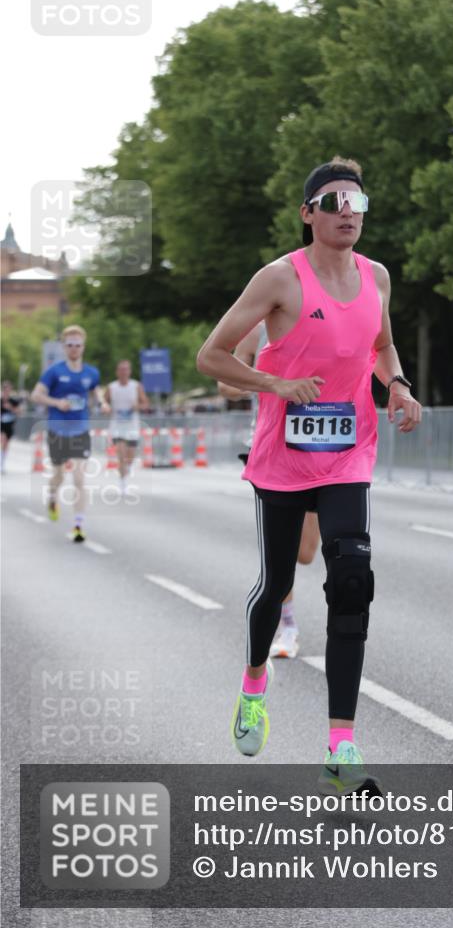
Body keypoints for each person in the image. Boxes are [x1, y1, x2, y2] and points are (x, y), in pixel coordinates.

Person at [197, 156, 421, 795]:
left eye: (357, 202)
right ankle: (254, 681)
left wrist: (398, 387)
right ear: (309, 215)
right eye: (333, 202)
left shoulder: (376, 276)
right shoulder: (279, 280)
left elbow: (380, 346)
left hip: (349, 453)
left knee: (352, 581)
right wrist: (274, 382)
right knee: (275, 585)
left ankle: (340, 746)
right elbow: (211, 356)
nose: (347, 211)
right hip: (283, 457)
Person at [217, 321, 320, 659]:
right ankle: (288, 627)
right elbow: (225, 385)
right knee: (283, 552)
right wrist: (268, 382)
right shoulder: (254, 330)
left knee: (305, 553)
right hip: (273, 447)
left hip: (321, 443)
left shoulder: (324, 320)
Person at [30, 324, 109, 542]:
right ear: (64, 347)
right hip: (57, 430)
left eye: (78, 345)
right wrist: (57, 402)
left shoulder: (91, 372)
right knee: (58, 475)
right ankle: (53, 495)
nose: (74, 348)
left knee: (79, 477)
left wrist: (102, 402)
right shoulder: (54, 372)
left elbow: (96, 390)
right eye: (70, 345)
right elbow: (36, 395)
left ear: (83, 347)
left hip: (80, 429)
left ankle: (78, 524)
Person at [103, 360, 149, 495]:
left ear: (129, 371)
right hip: (117, 425)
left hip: (132, 426)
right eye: (121, 369)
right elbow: (103, 402)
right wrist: (106, 408)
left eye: (126, 369)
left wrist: (138, 407)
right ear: (117, 372)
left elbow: (145, 403)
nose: (123, 372)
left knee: (130, 456)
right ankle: (123, 484)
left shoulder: (136, 386)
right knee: (121, 454)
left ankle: (126, 471)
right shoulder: (112, 387)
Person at [1, 381, 22, 474]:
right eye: (6, 389)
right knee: (2, 440)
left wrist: (11, 408)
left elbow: (19, 412)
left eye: (9, 389)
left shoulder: (13, 401)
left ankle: (2, 463)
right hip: (1, 425)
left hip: (9, 425)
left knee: (6, 445)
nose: (7, 391)